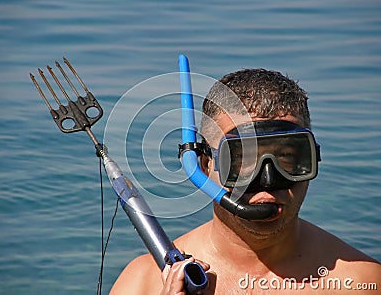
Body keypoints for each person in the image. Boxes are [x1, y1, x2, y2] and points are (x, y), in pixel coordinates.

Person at [110, 69, 380, 294]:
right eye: (243, 161)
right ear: (204, 165)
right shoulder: (144, 284)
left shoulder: (360, 282)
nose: (267, 180)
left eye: (287, 157)